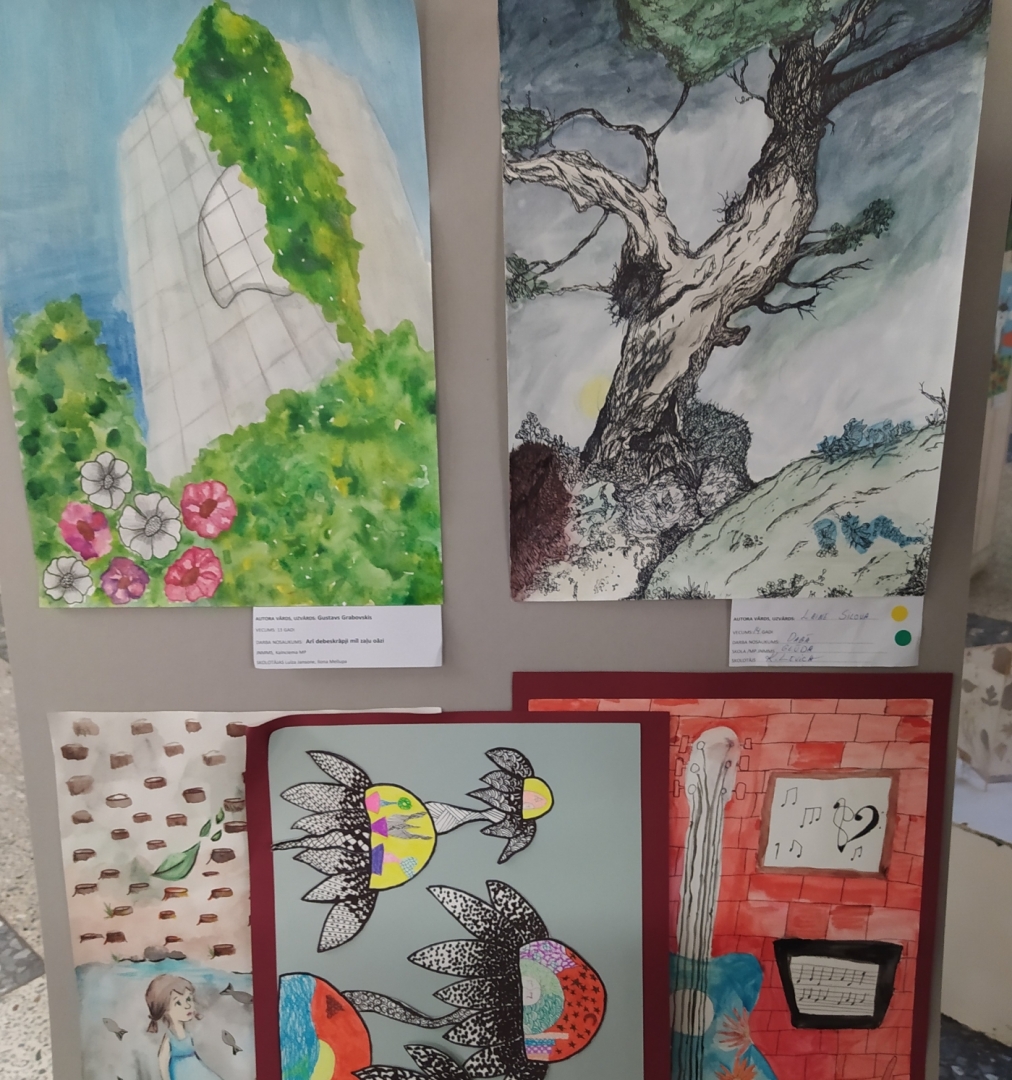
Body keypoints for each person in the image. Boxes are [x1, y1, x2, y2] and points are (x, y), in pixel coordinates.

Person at [145, 975, 224, 1080]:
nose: (187, 1006)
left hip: (195, 1070)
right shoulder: (169, 1038)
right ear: (165, 1010)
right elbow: (162, 1062)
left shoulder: (188, 1033)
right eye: (178, 1002)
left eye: (188, 999)